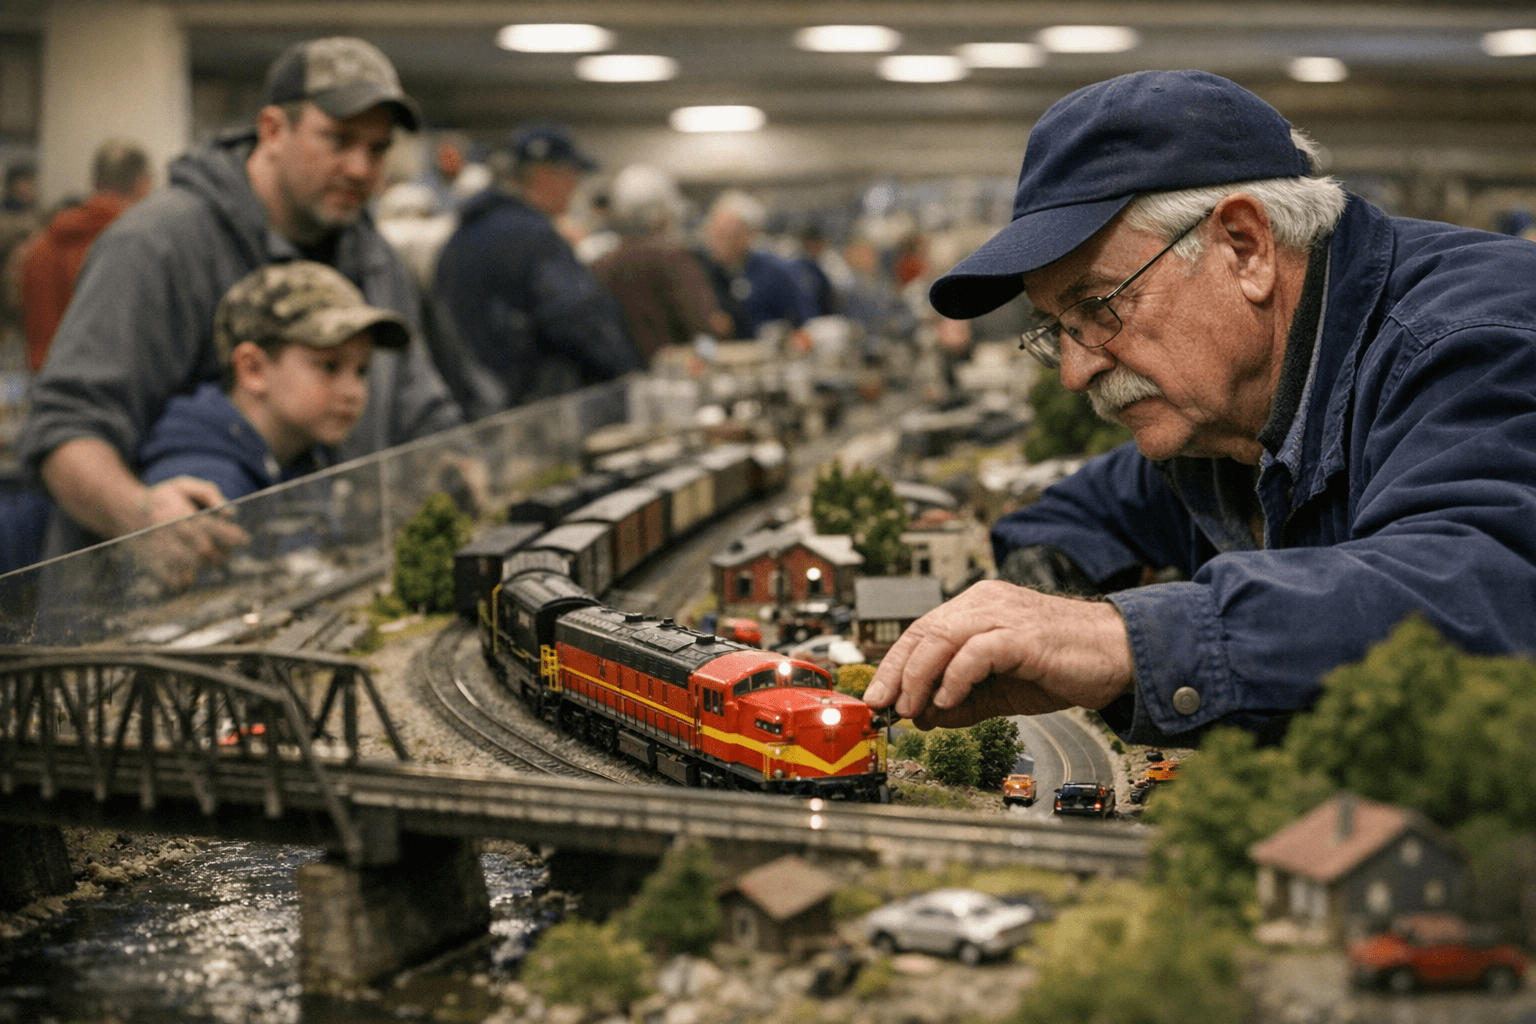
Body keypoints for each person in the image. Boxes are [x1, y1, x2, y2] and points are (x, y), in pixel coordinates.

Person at [862, 69, 1536, 748]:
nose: (1075, 371)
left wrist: (1116, 638)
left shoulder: (1473, 342)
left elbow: (1483, 589)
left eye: (1097, 307)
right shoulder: (1229, 411)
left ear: (1245, 247)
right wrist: (1048, 589)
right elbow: (1081, 511)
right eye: (1056, 328)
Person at [16, 36, 461, 563]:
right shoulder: (157, 246)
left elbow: (419, 408)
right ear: (273, 130)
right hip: (143, 610)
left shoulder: (377, 259)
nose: (362, 168)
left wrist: (458, 466)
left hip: (317, 583)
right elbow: (64, 428)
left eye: (377, 149)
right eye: (338, 140)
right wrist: (138, 513)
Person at [138, 261, 408, 500]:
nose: (354, 392)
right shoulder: (210, 487)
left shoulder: (299, 458)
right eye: (329, 366)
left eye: (362, 370)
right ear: (253, 368)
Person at [432, 123, 642, 420]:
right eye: (572, 175)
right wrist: (625, 372)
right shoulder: (535, 237)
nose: (575, 187)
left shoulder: (462, 235)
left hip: (477, 411)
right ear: (546, 174)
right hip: (534, 412)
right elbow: (577, 318)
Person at [22, 139, 152, 372]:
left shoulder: (39, 246)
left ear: (95, 182)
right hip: (109, 389)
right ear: (143, 184)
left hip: (46, 382)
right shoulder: (140, 248)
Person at [591, 164, 726, 363]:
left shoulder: (600, 264)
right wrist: (712, 356)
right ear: (662, 215)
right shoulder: (674, 261)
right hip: (675, 379)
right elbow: (702, 329)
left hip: (621, 377)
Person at [693, 190, 818, 339]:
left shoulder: (776, 271)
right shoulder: (708, 272)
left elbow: (806, 321)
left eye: (726, 236)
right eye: (714, 235)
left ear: (747, 235)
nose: (715, 243)